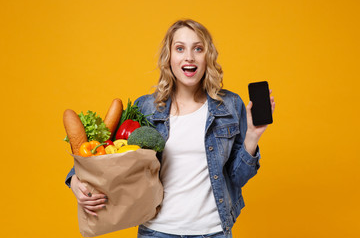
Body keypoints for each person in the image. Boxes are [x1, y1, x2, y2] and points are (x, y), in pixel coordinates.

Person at [65, 19, 275, 238]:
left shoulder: (230, 106)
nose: (189, 57)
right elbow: (108, 151)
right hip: (157, 230)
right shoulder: (145, 107)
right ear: (169, 58)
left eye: (198, 48)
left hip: (213, 232)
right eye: (180, 48)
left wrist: (252, 136)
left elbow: (237, 177)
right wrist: (76, 181)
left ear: (207, 57)